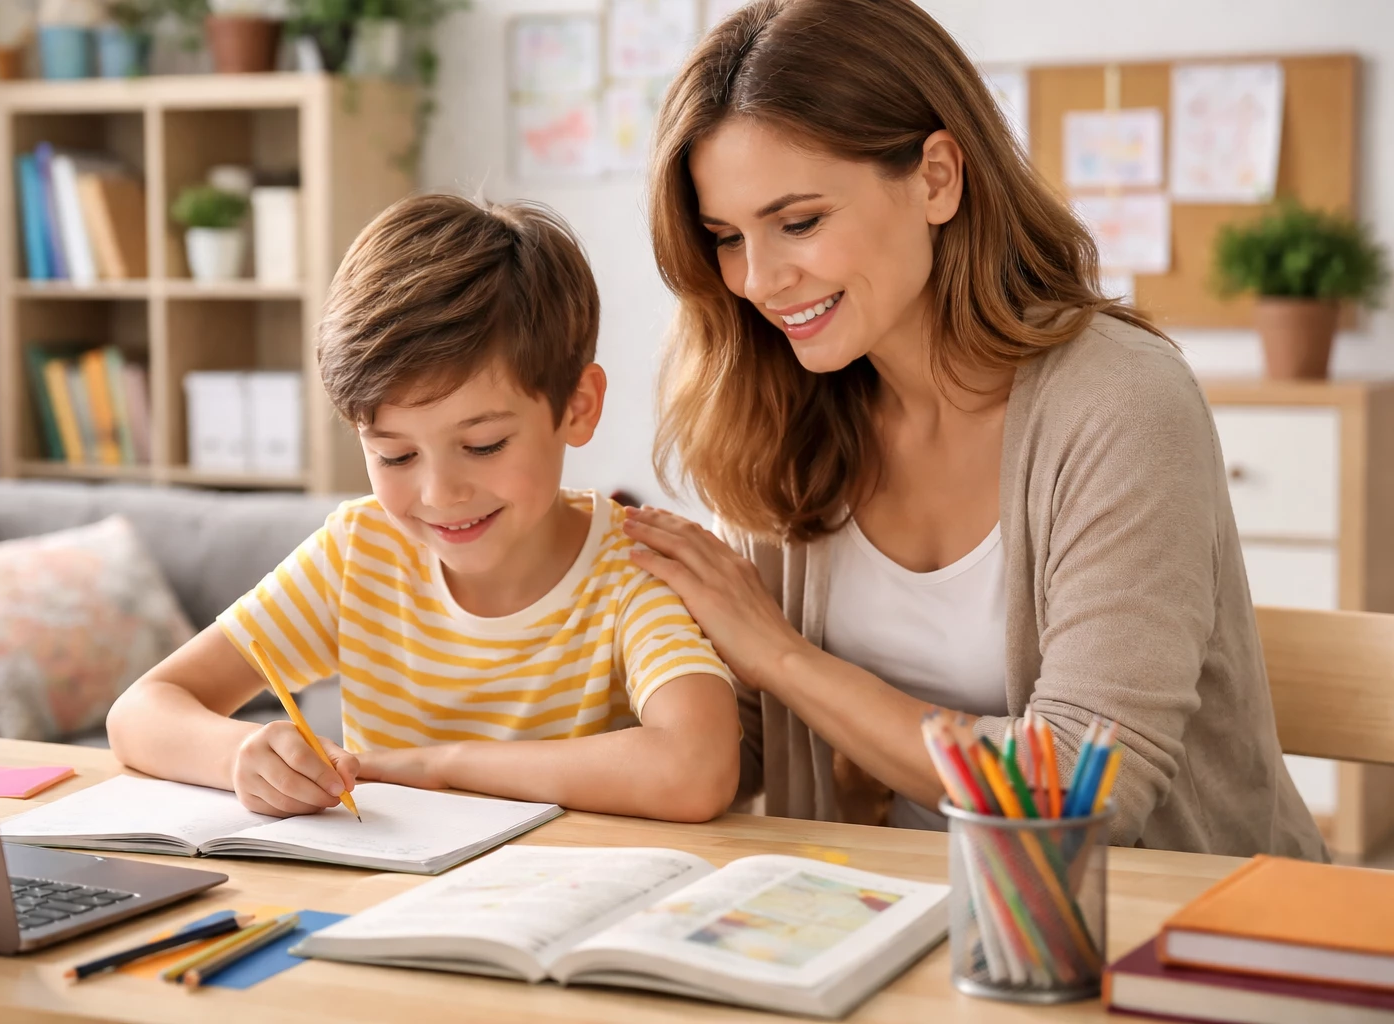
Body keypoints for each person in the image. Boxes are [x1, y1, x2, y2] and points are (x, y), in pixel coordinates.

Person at [621, 0, 1326, 858]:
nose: (759, 280)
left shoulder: (1122, 406)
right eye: (726, 237)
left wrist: (782, 658)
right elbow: (745, 741)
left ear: (937, 178)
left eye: (799, 222)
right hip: (903, 919)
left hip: (1166, 934)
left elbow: (1085, 792)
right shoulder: (782, 412)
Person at [107, 194, 741, 823]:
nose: (441, 494)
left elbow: (697, 770)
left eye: (483, 445)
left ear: (577, 407)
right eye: (395, 456)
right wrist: (240, 755)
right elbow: (141, 711)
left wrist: (443, 768)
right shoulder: (360, 553)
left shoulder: (631, 569)